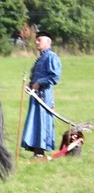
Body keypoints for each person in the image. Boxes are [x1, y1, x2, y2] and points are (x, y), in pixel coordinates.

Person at [21, 30, 62, 159]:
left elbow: (55, 76)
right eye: (36, 40)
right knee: (35, 121)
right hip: (36, 94)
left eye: (40, 40)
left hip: (44, 95)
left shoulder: (51, 57)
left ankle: (40, 152)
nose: (36, 42)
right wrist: (31, 84)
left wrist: (39, 82)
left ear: (48, 42)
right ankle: (36, 151)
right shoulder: (40, 57)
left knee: (42, 121)